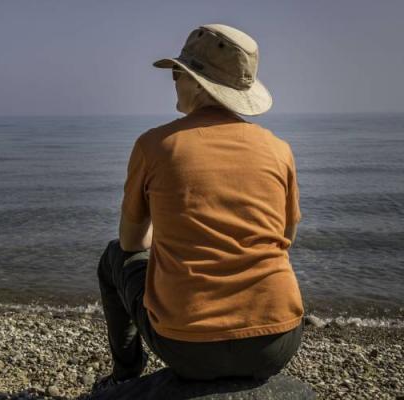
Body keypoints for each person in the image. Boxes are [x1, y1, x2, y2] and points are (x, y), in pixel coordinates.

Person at [95, 24, 304, 389]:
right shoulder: (278, 149)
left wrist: (174, 233)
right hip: (278, 340)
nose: (174, 80)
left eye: (179, 72)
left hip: (188, 346)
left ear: (196, 82)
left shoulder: (155, 145)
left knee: (113, 259)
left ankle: (124, 377)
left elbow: (132, 244)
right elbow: (284, 237)